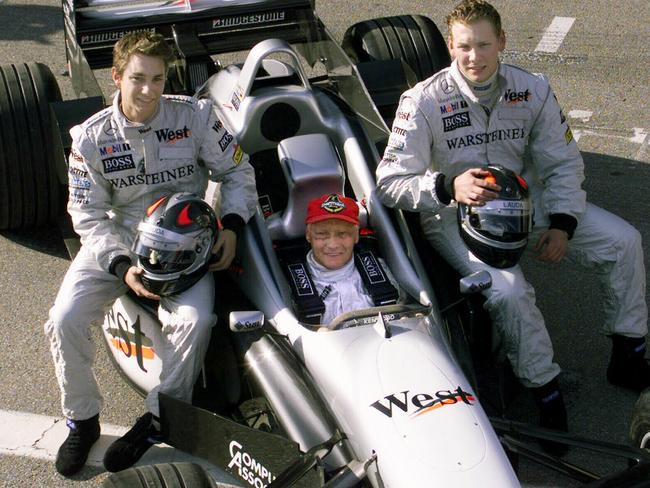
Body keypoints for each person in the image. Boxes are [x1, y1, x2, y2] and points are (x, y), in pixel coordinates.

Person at [375, 0, 649, 446]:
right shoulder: (423, 100)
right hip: (453, 213)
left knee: (623, 241)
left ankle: (629, 353)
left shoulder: (533, 88)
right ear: (450, 46)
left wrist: (562, 223)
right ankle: (545, 391)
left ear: (501, 42)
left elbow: (562, 163)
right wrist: (447, 185)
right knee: (510, 291)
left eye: (483, 45)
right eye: (464, 47)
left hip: (523, 200)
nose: (474, 57)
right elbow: (389, 182)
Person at [44, 31, 258, 476]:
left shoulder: (197, 116)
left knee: (195, 322)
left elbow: (237, 170)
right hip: (120, 238)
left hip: (186, 240)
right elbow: (87, 215)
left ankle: (159, 417)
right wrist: (121, 266)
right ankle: (82, 420)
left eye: (157, 79)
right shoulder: (89, 138)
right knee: (64, 317)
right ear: (117, 78)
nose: (148, 90)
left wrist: (233, 225)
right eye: (138, 78)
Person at [298, 193, 399, 326]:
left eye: (342, 234)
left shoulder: (380, 271)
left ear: (356, 235)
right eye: (322, 234)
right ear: (308, 235)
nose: (333, 245)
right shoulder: (290, 284)